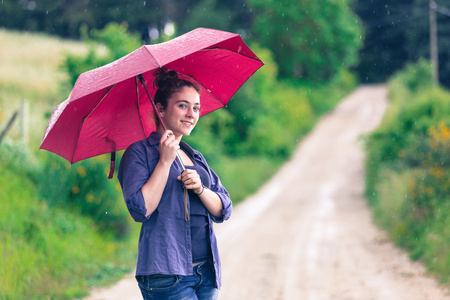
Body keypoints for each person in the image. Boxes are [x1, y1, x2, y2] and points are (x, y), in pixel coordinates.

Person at [118, 68, 232, 300]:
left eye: (196, 107)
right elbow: (141, 209)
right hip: (167, 275)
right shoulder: (139, 153)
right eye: (182, 105)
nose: (192, 114)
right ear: (160, 109)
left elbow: (224, 207)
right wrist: (164, 162)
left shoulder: (195, 156)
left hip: (206, 272)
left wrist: (201, 189)